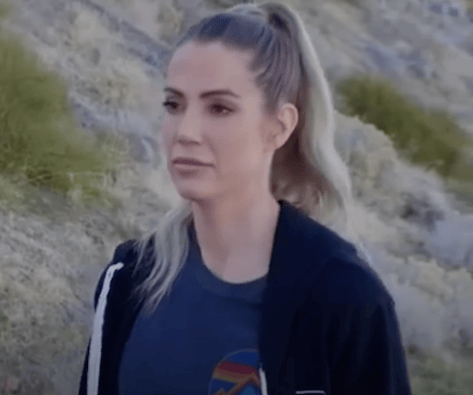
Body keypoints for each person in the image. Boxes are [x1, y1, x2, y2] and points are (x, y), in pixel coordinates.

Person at [78, 2, 413, 395]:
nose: (186, 131)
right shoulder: (128, 279)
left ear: (279, 126)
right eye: (174, 104)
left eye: (219, 108)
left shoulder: (347, 299)